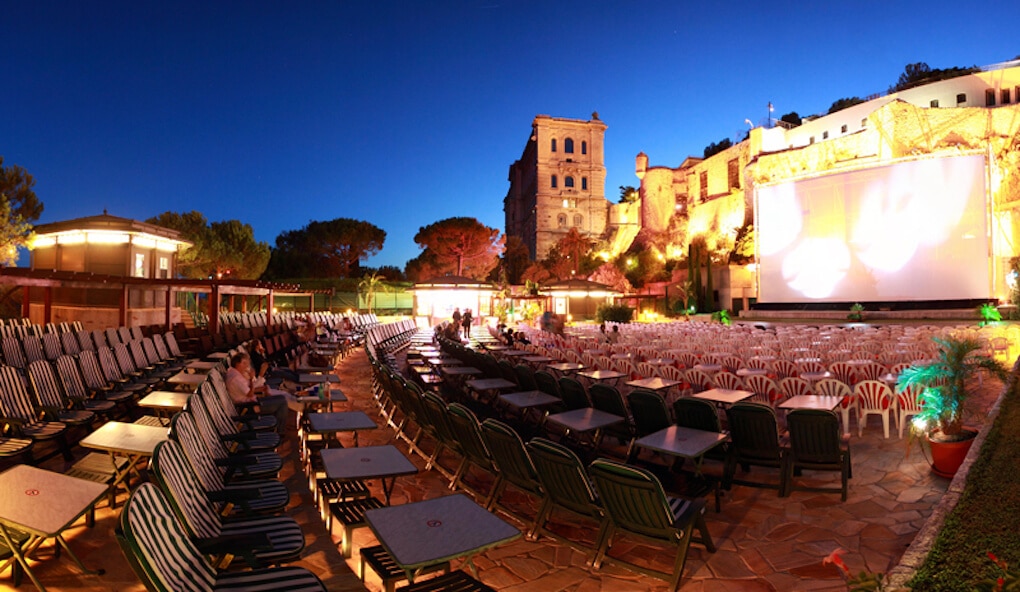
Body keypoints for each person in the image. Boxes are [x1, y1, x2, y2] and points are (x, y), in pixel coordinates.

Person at [226, 352, 289, 435]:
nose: (246, 366)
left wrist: (261, 388)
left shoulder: (235, 374)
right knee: (282, 402)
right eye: (244, 363)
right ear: (237, 364)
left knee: (281, 398)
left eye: (247, 363)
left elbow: (248, 390)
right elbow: (250, 393)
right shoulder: (236, 378)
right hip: (248, 408)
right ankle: (280, 432)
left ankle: (274, 429)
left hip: (252, 402)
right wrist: (252, 378)